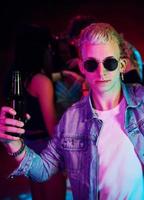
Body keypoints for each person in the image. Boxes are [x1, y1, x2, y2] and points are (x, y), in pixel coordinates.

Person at [0, 22, 144, 199]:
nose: (101, 72)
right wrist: (12, 142)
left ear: (122, 66)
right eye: (91, 64)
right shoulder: (72, 120)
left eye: (110, 63)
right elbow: (43, 170)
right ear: (82, 67)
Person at [2, 24, 66, 199]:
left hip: (28, 145)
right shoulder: (41, 81)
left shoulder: (14, 77)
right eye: (48, 46)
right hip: (46, 148)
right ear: (39, 50)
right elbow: (52, 127)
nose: (50, 51)